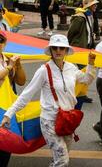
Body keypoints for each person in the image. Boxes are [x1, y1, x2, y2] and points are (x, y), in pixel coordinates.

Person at [0, 34, 96, 167]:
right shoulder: (44, 70)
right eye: (55, 48)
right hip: (49, 121)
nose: (58, 51)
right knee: (62, 160)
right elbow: (26, 95)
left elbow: (86, 80)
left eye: (61, 48)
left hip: (67, 120)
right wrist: (8, 114)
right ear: (50, 50)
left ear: (66, 51)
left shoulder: (71, 68)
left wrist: (91, 64)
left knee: (61, 158)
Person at [0, 30, 26, 167]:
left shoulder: (6, 59)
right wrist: (10, 66)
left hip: (6, 108)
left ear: (5, 43)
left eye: (1, 40)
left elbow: (21, 82)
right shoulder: (8, 63)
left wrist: (18, 65)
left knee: (6, 145)